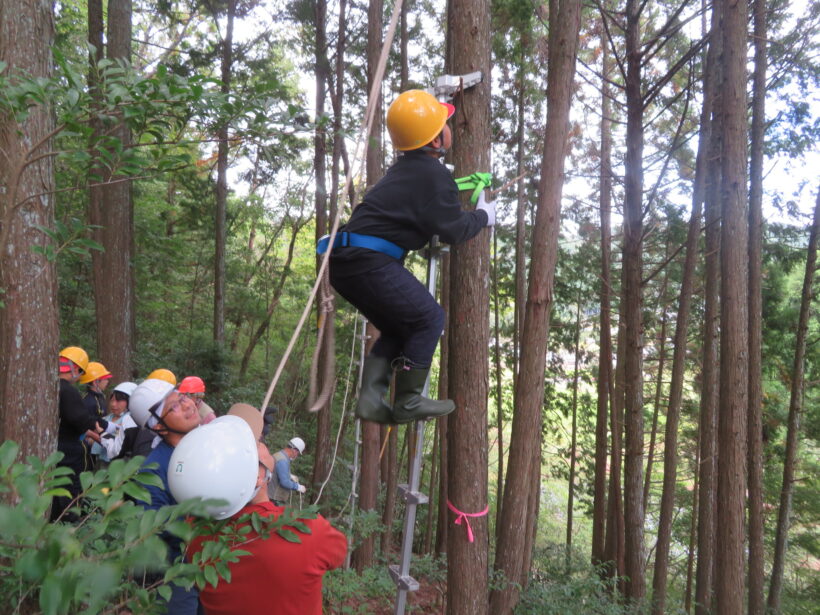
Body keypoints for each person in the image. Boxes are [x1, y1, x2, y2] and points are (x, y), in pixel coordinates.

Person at [324, 89, 495, 425]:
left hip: (346, 262)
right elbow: (454, 229)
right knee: (429, 319)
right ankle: (409, 401)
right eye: (445, 123)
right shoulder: (433, 175)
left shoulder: (405, 171)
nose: (450, 128)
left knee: (398, 328)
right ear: (435, 142)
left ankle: (372, 401)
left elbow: (426, 211)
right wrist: (482, 217)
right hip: (367, 261)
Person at [190, 441, 347, 615]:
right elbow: (338, 553)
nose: (255, 437)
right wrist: (296, 486)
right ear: (258, 476)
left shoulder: (195, 531)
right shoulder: (308, 528)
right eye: (252, 442)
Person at [129, 378, 202, 615]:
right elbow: (155, 524)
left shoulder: (206, 447)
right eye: (175, 406)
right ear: (158, 426)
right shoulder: (155, 469)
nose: (188, 405)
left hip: (213, 562)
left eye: (182, 398)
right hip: (178, 572)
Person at [53, 347, 117, 521]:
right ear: (77, 369)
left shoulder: (52, 385)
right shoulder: (67, 390)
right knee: (70, 489)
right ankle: (69, 523)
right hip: (69, 450)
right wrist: (105, 430)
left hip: (59, 448)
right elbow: (81, 419)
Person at [91, 381, 139, 466]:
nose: (113, 404)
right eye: (112, 400)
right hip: (100, 460)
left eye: (118, 401)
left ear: (131, 401)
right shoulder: (108, 418)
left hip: (115, 464)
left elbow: (116, 438)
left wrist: (93, 434)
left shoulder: (129, 421)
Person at [268, 437, 307, 506]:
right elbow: (285, 482)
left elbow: (275, 471)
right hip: (274, 498)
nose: (296, 456)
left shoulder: (278, 454)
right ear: (294, 450)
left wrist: (289, 475)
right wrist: (298, 487)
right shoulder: (283, 461)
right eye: (297, 453)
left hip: (269, 494)